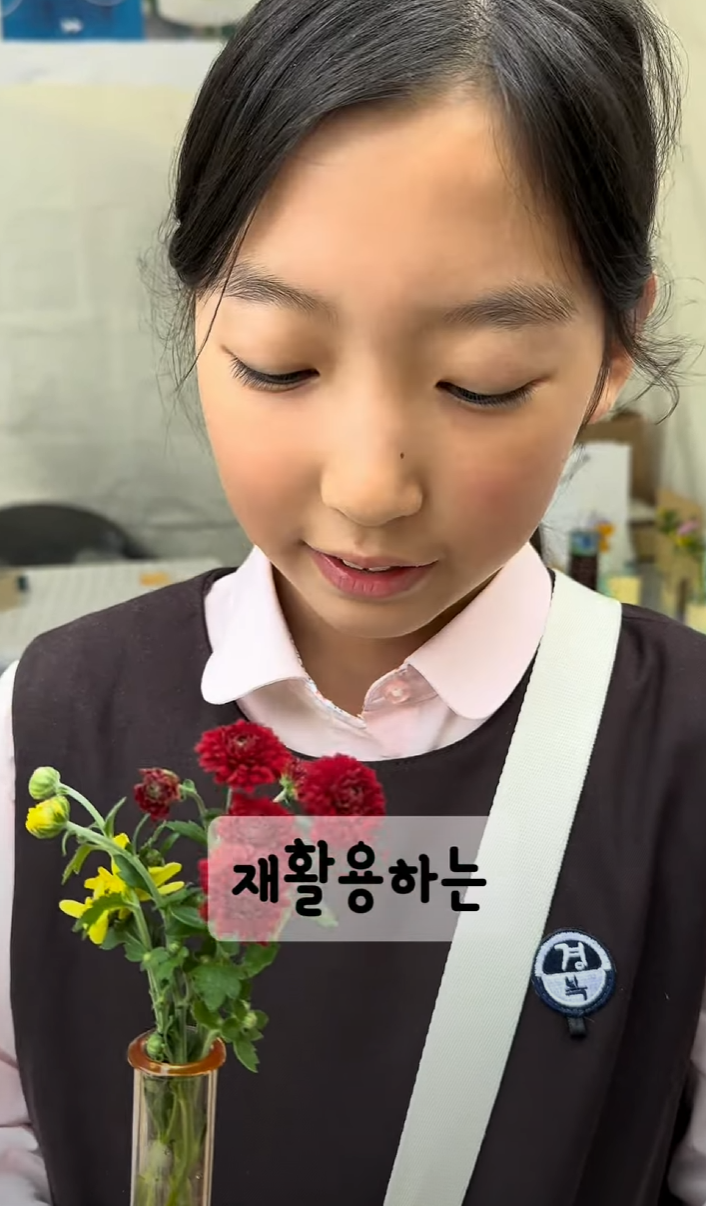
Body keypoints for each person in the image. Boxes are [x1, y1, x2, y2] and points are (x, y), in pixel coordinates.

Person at [1, 0, 705, 1203]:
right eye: (279, 365)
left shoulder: (678, 751)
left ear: (612, 351)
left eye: (481, 383)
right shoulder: (47, 724)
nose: (370, 488)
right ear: (194, 309)